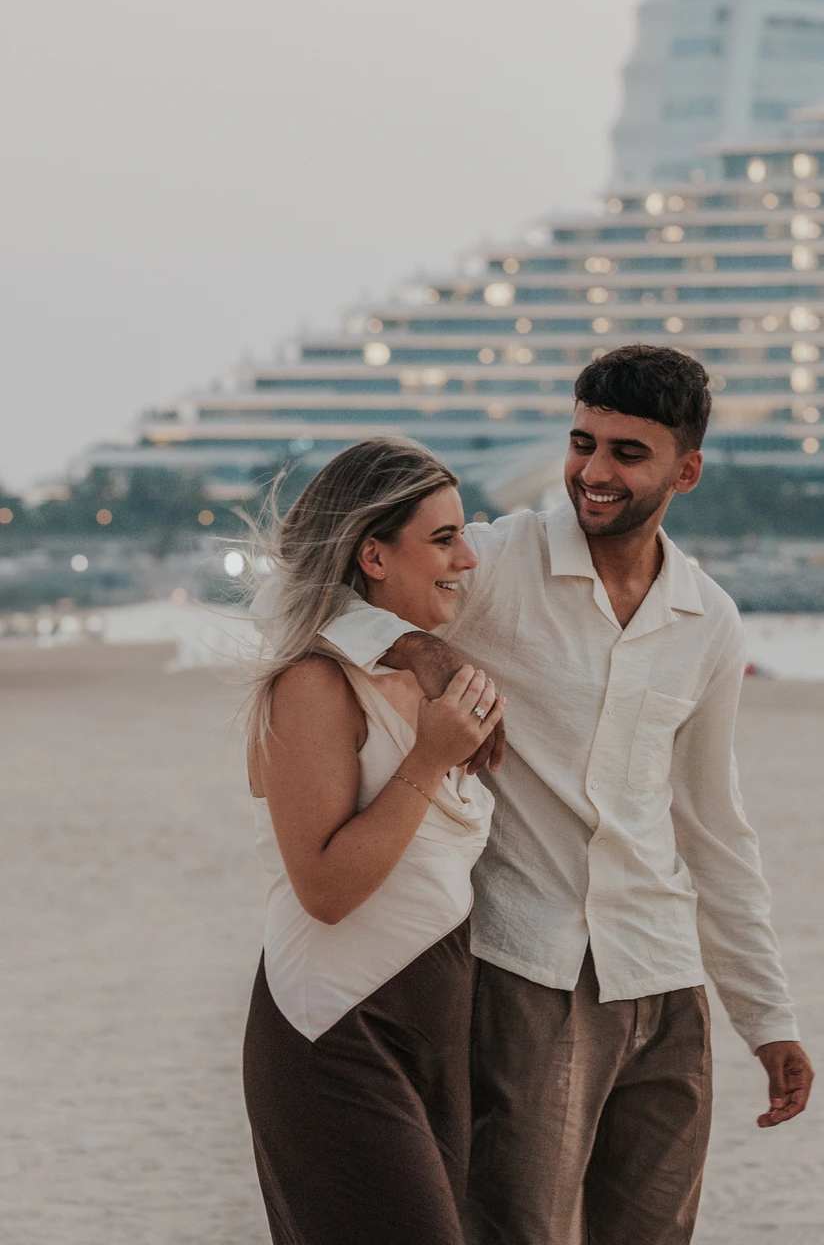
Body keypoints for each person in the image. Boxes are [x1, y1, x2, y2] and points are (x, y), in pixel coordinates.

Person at [324, 344, 814, 1245]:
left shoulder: (708, 619)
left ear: (687, 470)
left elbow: (712, 827)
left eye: (628, 453)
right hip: (527, 973)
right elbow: (327, 600)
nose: (592, 471)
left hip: (666, 983)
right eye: (582, 441)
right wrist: (418, 647)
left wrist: (766, 1016)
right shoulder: (494, 563)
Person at [241, 439, 504, 1245]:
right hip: (334, 1027)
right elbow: (324, 891)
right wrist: (429, 758)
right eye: (443, 540)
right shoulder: (313, 684)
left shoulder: (416, 672)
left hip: (428, 1027)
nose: (467, 558)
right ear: (373, 555)